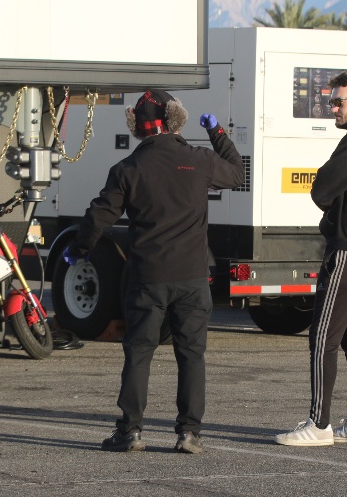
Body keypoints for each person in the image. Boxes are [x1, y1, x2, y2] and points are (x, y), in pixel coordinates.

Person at [62, 89, 244, 453]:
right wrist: (218, 133)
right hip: (193, 277)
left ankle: (130, 431)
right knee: (191, 354)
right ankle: (189, 433)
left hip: (148, 278)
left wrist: (79, 250)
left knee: (139, 352)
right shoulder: (199, 160)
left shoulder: (128, 169)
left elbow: (100, 215)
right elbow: (237, 174)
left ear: (136, 127)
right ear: (177, 119)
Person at [274, 71, 347, 447]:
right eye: (331, 102)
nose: (333, 109)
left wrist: (334, 208)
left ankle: (319, 425)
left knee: (323, 336)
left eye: (338, 102)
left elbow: (322, 189)